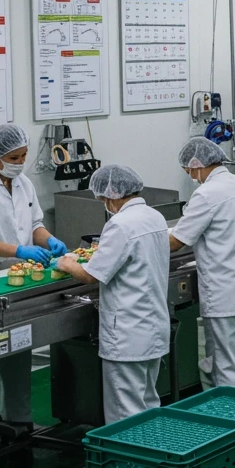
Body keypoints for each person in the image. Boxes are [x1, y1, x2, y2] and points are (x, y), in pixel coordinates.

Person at [0, 123, 67, 437]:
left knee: (19, 351)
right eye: (15, 156)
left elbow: (35, 224)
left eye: (23, 155)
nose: (21, 162)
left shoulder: (23, 183)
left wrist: (48, 240)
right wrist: (18, 250)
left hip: (21, 281)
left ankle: (20, 421)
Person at [55, 165, 170, 424]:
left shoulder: (120, 224)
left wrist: (68, 263)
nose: (103, 203)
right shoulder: (154, 216)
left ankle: (129, 464)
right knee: (149, 404)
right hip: (153, 327)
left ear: (112, 194)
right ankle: (151, 460)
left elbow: (92, 275)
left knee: (124, 414)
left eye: (102, 198)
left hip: (128, 335)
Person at [169, 138, 235, 388]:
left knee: (224, 362)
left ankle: (234, 422)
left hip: (226, 292)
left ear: (198, 165)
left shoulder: (206, 194)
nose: (191, 176)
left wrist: (144, 241)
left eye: (189, 171)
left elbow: (176, 241)